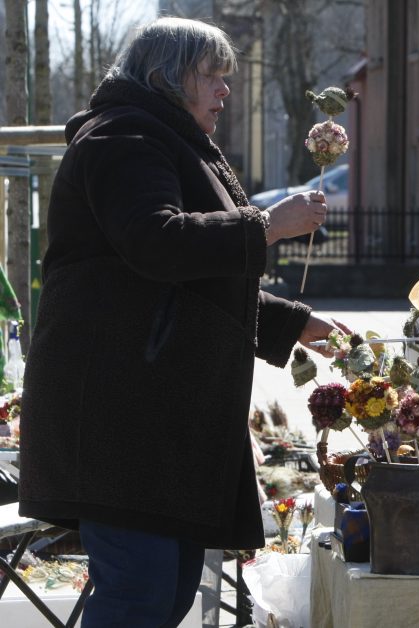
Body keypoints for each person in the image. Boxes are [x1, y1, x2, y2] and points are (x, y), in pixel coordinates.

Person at [17, 17, 349, 627]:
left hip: (157, 424)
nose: (224, 91)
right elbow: (157, 243)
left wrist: (293, 323)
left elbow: (192, 282)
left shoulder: (165, 139)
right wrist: (269, 225)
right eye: (211, 76)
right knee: (138, 598)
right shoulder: (123, 138)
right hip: (123, 418)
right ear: (168, 78)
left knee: (164, 597)